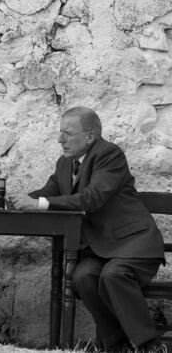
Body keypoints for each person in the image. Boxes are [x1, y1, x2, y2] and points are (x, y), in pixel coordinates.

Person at [14, 107, 165, 352]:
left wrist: (40, 204)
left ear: (90, 137)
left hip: (134, 245)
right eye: (60, 132)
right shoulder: (65, 163)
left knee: (113, 275)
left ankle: (150, 346)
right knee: (82, 276)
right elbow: (48, 193)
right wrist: (13, 200)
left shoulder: (109, 154)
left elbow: (92, 197)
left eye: (67, 133)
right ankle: (119, 346)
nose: (60, 139)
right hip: (101, 250)